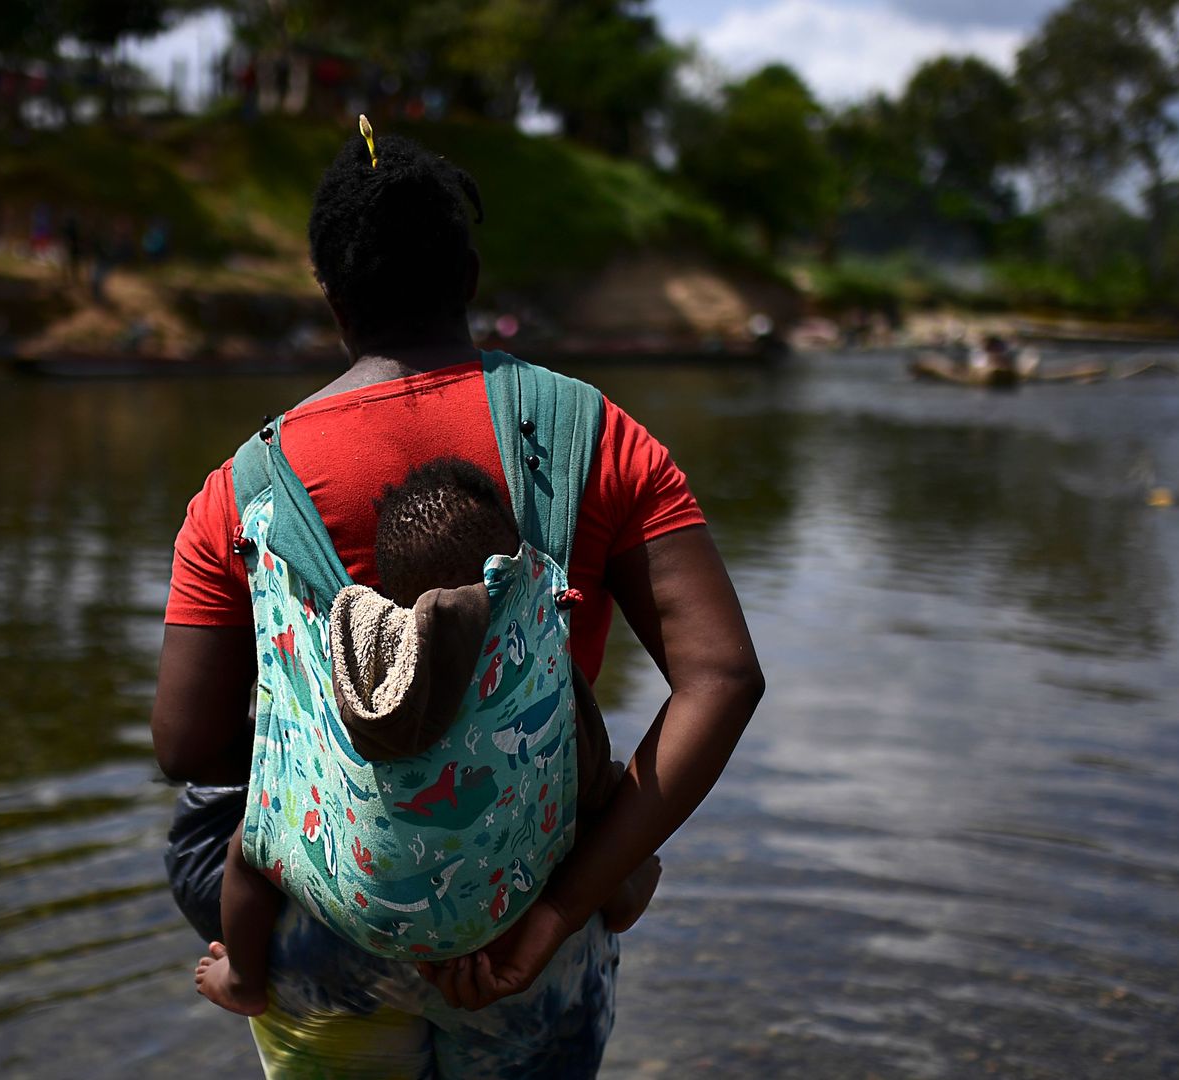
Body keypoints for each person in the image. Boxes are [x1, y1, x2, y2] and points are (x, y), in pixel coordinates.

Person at [153, 125, 762, 1076]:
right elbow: (722, 677)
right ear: (470, 276)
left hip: (324, 922)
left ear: (330, 295)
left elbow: (186, 746)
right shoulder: (599, 437)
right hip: (530, 908)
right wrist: (563, 910)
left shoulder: (243, 488)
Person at [193, 456, 659, 1018]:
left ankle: (242, 977)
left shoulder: (359, 665)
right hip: (508, 909)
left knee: (251, 844)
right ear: (510, 571)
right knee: (592, 791)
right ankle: (625, 892)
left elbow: (185, 746)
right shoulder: (528, 667)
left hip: (359, 916)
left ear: (390, 590)